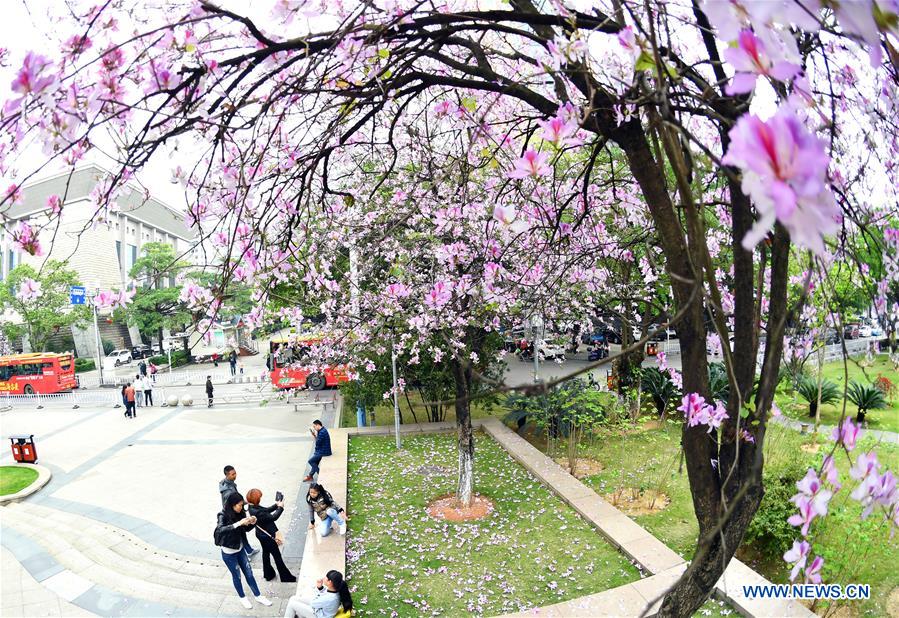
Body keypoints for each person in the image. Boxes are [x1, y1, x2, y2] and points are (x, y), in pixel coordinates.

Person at [214, 492, 273, 610]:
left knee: (249, 573)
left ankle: (258, 595)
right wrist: (238, 523)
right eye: (240, 505)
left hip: (240, 549)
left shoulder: (240, 513)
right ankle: (242, 597)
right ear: (232, 505)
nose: (242, 507)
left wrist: (253, 522)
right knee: (237, 576)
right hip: (229, 553)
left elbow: (245, 529)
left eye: (242, 505)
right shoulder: (222, 515)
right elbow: (220, 530)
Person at [246, 488, 297, 582]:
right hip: (267, 536)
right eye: (259, 497)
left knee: (265, 553)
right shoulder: (257, 512)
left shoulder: (252, 507)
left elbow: (265, 510)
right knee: (277, 556)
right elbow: (273, 517)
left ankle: (268, 574)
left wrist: (276, 505)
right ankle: (285, 577)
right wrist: (281, 507)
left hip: (260, 534)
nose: (260, 499)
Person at [219, 466, 259, 557]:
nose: (235, 475)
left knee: (242, 533)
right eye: (233, 474)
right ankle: (244, 553)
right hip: (234, 515)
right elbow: (232, 504)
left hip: (236, 512)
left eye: (235, 473)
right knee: (239, 533)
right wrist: (245, 503)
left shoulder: (227, 483)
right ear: (227, 475)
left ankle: (248, 550)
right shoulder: (228, 492)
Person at [283, 570, 352, 618]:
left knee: (292, 604)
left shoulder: (330, 598)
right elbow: (324, 594)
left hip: (318, 615)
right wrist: (320, 587)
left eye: (326, 577)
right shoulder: (336, 590)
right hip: (322, 610)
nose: (324, 578)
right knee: (293, 598)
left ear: (330, 582)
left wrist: (316, 590)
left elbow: (313, 603)